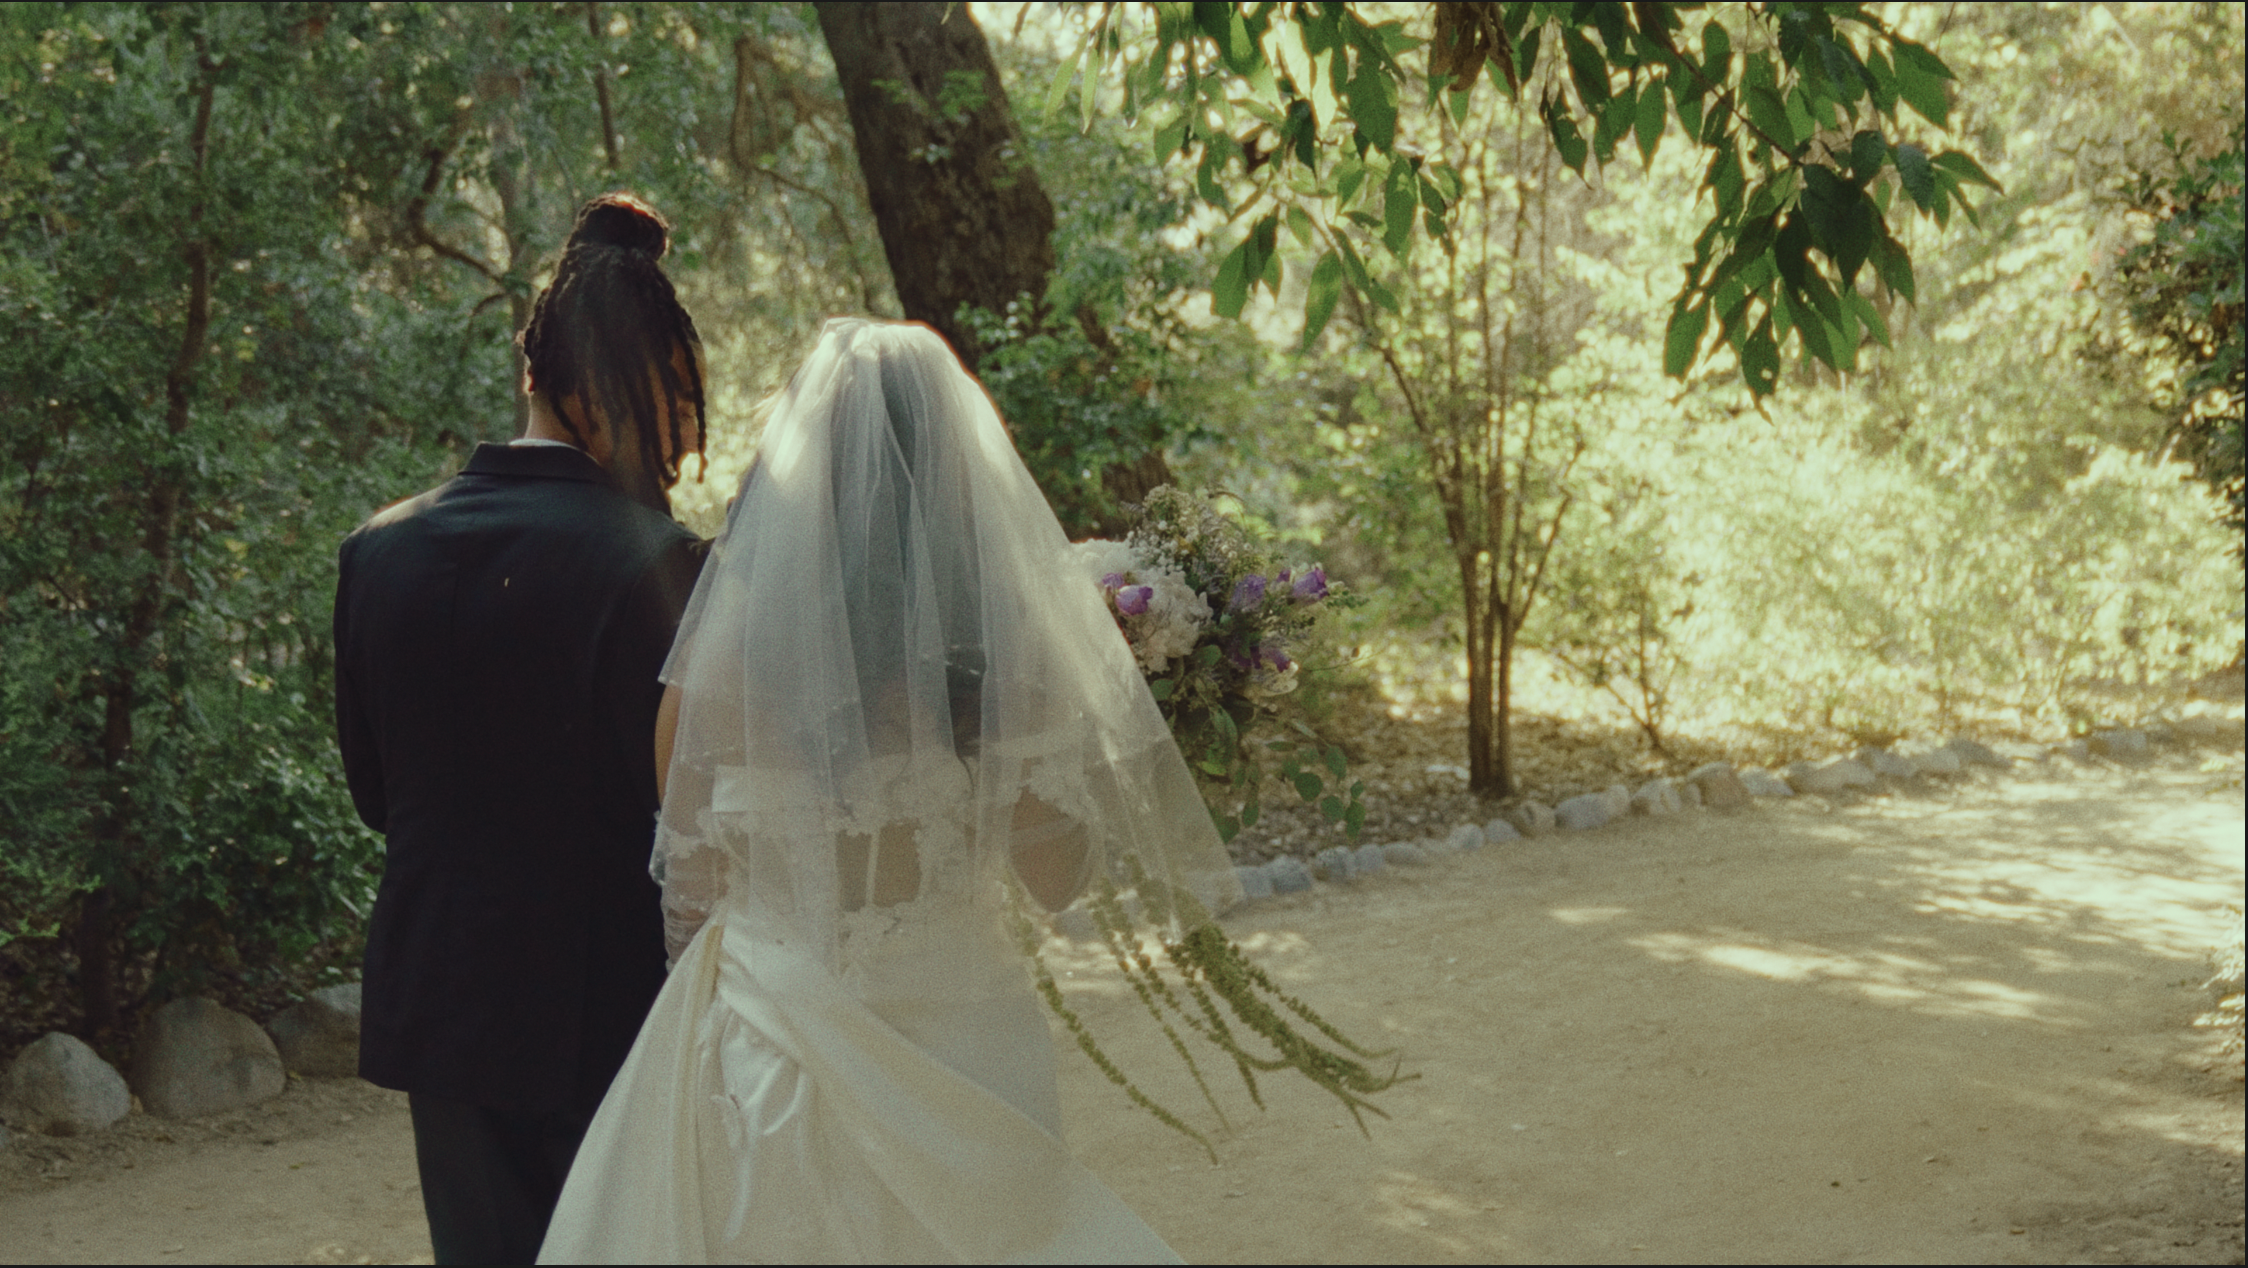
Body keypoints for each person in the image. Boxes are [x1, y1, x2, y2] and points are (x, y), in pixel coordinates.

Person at [537, 317, 1248, 1263]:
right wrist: (1111, 712)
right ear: (960, 470)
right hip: (971, 1044)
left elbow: (691, 892)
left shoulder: (713, 669)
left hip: (770, 1057)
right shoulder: (1010, 656)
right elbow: (1053, 881)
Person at [333, 193, 709, 1265]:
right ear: (607, 387)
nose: (679, 437)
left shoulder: (376, 551)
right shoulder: (658, 560)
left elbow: (376, 794)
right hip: (608, 1004)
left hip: (440, 1007)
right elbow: (687, 811)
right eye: (670, 401)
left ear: (530, 370)